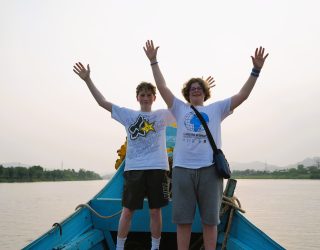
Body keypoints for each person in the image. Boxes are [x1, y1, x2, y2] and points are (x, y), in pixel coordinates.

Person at [144, 40, 268, 250]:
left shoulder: (216, 110)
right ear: (187, 93)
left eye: (199, 88)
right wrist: (153, 61)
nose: (195, 90)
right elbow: (163, 87)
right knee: (183, 221)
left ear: (205, 92)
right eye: (192, 88)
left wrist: (255, 70)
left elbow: (242, 96)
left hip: (210, 171)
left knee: (210, 222)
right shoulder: (179, 108)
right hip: (183, 171)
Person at [73, 62, 175, 250]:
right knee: (127, 211)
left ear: (154, 97)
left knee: (155, 211)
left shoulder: (163, 115)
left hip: (158, 169)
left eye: (148, 95)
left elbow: (178, 104)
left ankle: (155, 247)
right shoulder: (128, 115)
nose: (145, 98)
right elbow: (102, 103)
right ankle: (119, 247)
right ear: (137, 98)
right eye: (142, 95)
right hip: (134, 169)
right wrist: (88, 80)